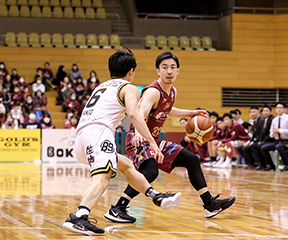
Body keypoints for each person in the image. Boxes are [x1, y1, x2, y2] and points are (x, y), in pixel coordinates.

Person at [104, 51, 235, 224]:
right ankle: (118, 208)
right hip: (139, 138)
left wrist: (191, 113)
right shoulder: (152, 91)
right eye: (164, 67)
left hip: (155, 139)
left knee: (192, 159)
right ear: (158, 71)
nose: (169, 71)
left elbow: (167, 109)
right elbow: (141, 111)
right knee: (150, 172)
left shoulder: (172, 91)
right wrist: (137, 132)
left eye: (173, 67)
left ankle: (209, 204)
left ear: (178, 70)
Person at [62, 50, 182, 236]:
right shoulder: (129, 88)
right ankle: (79, 216)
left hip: (81, 137)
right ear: (131, 71)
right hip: (99, 133)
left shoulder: (101, 87)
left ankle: (155, 196)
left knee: (125, 164)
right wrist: (152, 142)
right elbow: (134, 114)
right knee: (102, 177)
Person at [261, 101, 288, 172]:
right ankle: (271, 165)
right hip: (278, 141)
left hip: (286, 141)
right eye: (277, 108)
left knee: (279, 147)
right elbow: (270, 133)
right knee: (264, 148)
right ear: (275, 110)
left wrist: (280, 130)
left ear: (285, 109)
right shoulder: (274, 120)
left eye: (281, 108)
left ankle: (286, 164)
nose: (279, 109)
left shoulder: (287, 118)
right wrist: (272, 134)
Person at [256, 105, 275, 170]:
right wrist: (260, 141)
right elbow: (262, 133)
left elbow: (270, 133)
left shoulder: (272, 119)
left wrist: (263, 141)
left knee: (262, 147)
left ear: (271, 112)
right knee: (258, 145)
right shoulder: (264, 120)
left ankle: (271, 165)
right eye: (264, 111)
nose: (265, 112)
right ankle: (262, 165)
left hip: (272, 140)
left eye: (267, 111)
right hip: (266, 140)